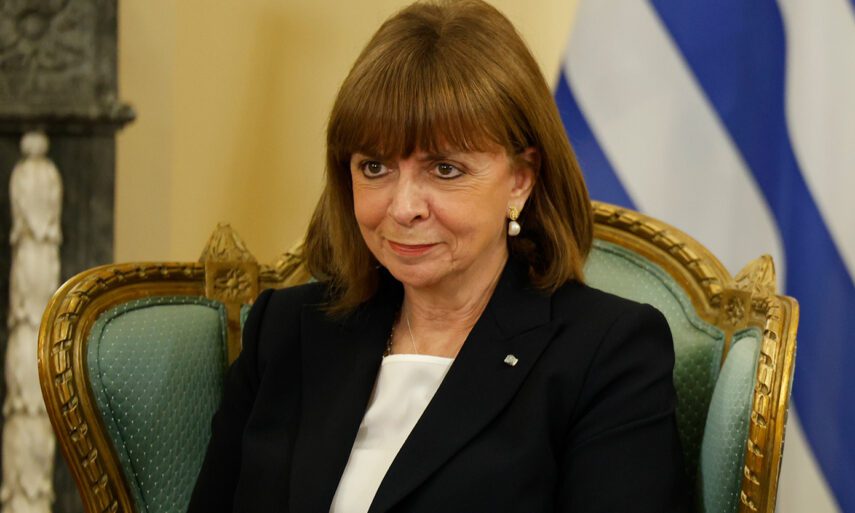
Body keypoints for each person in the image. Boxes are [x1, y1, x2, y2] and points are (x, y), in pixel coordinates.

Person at [188, 0, 688, 511]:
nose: (403, 207)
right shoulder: (285, 330)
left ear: (520, 179)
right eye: (375, 167)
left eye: (445, 169)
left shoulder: (607, 352)